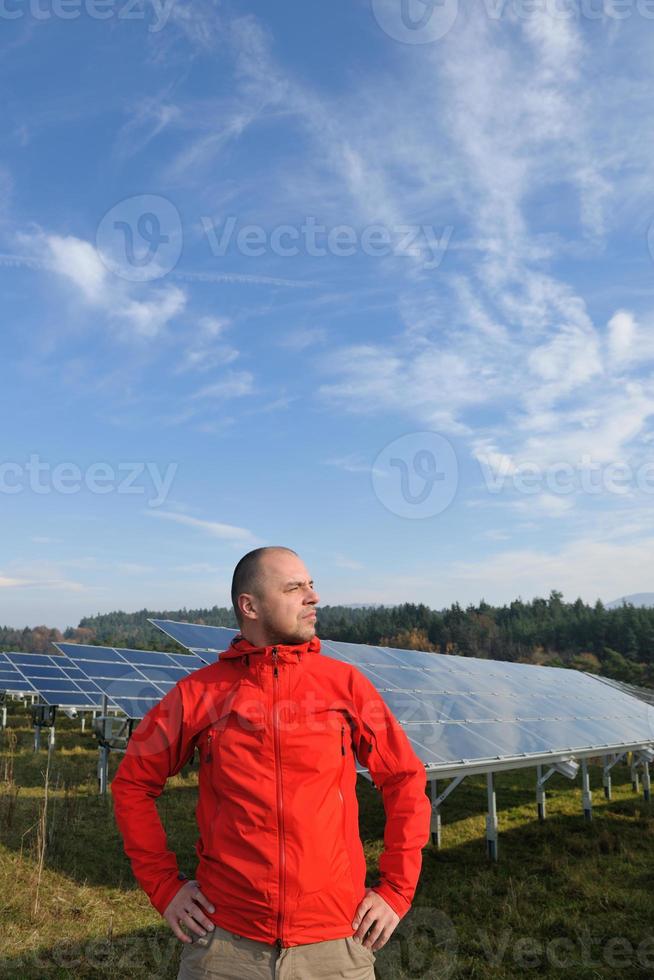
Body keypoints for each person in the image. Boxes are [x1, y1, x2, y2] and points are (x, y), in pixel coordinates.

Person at [111, 546, 432, 979]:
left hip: (334, 944)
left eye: (311, 584)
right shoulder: (197, 694)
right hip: (224, 946)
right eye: (295, 587)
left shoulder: (346, 686)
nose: (313, 597)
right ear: (250, 606)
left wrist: (396, 889)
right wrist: (165, 887)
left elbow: (404, 779)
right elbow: (132, 784)